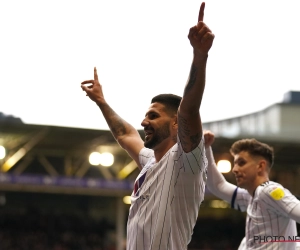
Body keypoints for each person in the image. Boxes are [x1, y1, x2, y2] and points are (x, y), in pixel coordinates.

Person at [81, 2, 214, 250]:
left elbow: (189, 109)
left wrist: (199, 55)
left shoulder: (187, 160)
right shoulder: (151, 161)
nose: (144, 122)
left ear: (175, 122)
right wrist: (101, 101)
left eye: (153, 116)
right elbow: (124, 133)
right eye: (145, 116)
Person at [204, 130, 300, 250]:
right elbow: (218, 186)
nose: (235, 169)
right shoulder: (250, 196)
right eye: (235, 164)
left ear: (260, 166)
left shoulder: (270, 191)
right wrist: (206, 148)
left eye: (241, 163)